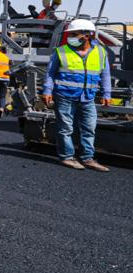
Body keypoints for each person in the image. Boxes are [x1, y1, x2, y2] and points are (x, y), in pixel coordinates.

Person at [41, 19, 110, 171]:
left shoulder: (100, 52)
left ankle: (88, 158)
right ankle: (67, 157)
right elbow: (50, 73)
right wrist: (47, 90)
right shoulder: (61, 51)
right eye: (70, 34)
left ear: (87, 35)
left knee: (89, 128)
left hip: (88, 97)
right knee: (65, 128)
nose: (70, 37)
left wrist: (107, 93)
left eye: (74, 34)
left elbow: (105, 75)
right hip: (64, 95)